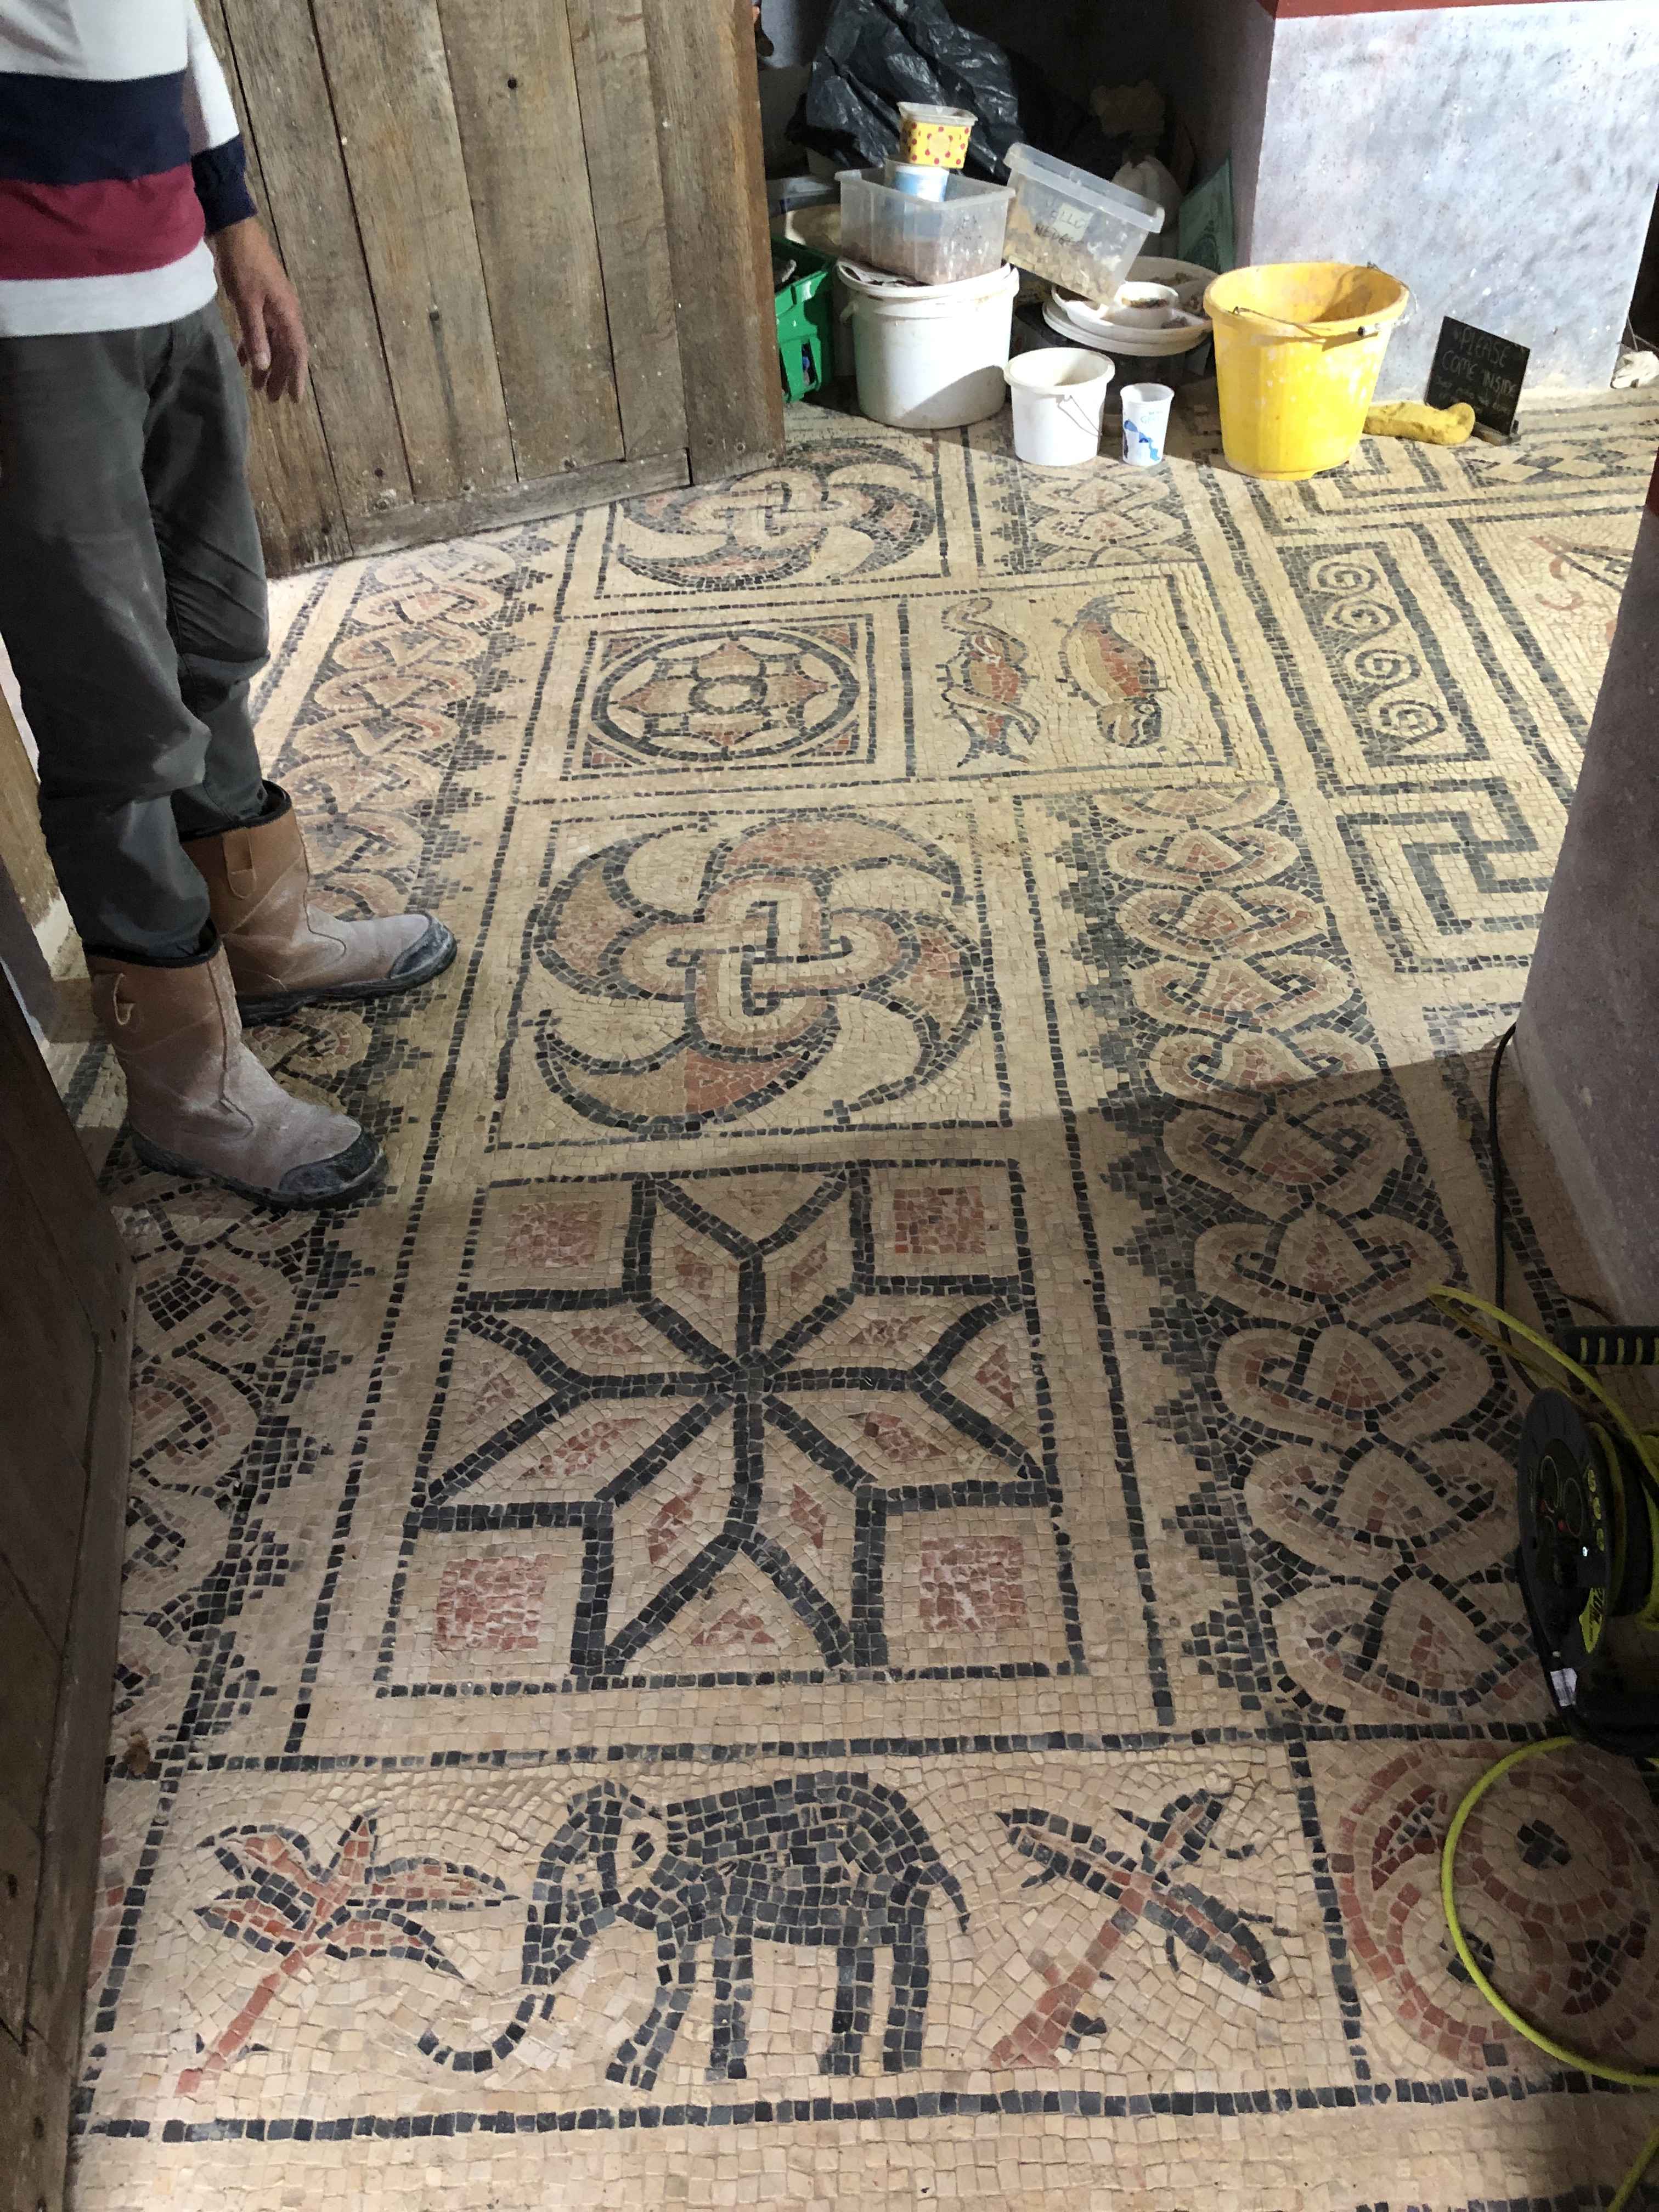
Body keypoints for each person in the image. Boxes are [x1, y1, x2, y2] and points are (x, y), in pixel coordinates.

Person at [0, 0, 454, 1209]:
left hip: (167, 281)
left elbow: (169, 25)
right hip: (23, 323)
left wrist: (234, 219)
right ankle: (185, 1090)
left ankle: (262, 942)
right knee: (114, 715)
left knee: (216, 630)